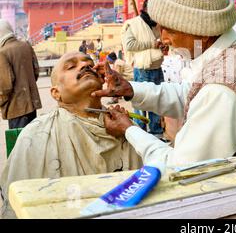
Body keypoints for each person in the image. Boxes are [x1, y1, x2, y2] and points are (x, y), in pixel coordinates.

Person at [93, 0, 236, 167]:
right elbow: (191, 93)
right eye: (160, 28)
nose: (163, 38)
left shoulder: (223, 89)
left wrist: (128, 129)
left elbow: (180, 166)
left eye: (170, 31)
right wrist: (131, 89)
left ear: (203, 33)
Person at [0, 51, 142, 218]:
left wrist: (130, 132)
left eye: (89, 64)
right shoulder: (37, 134)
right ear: (56, 93)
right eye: (71, 66)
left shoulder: (125, 124)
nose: (85, 66)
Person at [121, 0, 165, 135]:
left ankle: (156, 133)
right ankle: (141, 133)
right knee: (141, 101)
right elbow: (129, 45)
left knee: (157, 101)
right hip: (142, 70)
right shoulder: (133, 24)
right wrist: (152, 44)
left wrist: (163, 45)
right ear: (147, 9)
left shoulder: (156, 24)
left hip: (157, 68)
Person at [0, 19, 42, 129]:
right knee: (32, 139)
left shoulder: (2, 52)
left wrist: (1, 102)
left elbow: (5, 86)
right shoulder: (26, 46)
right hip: (32, 105)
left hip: (16, 108)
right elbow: (36, 72)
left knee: (19, 143)